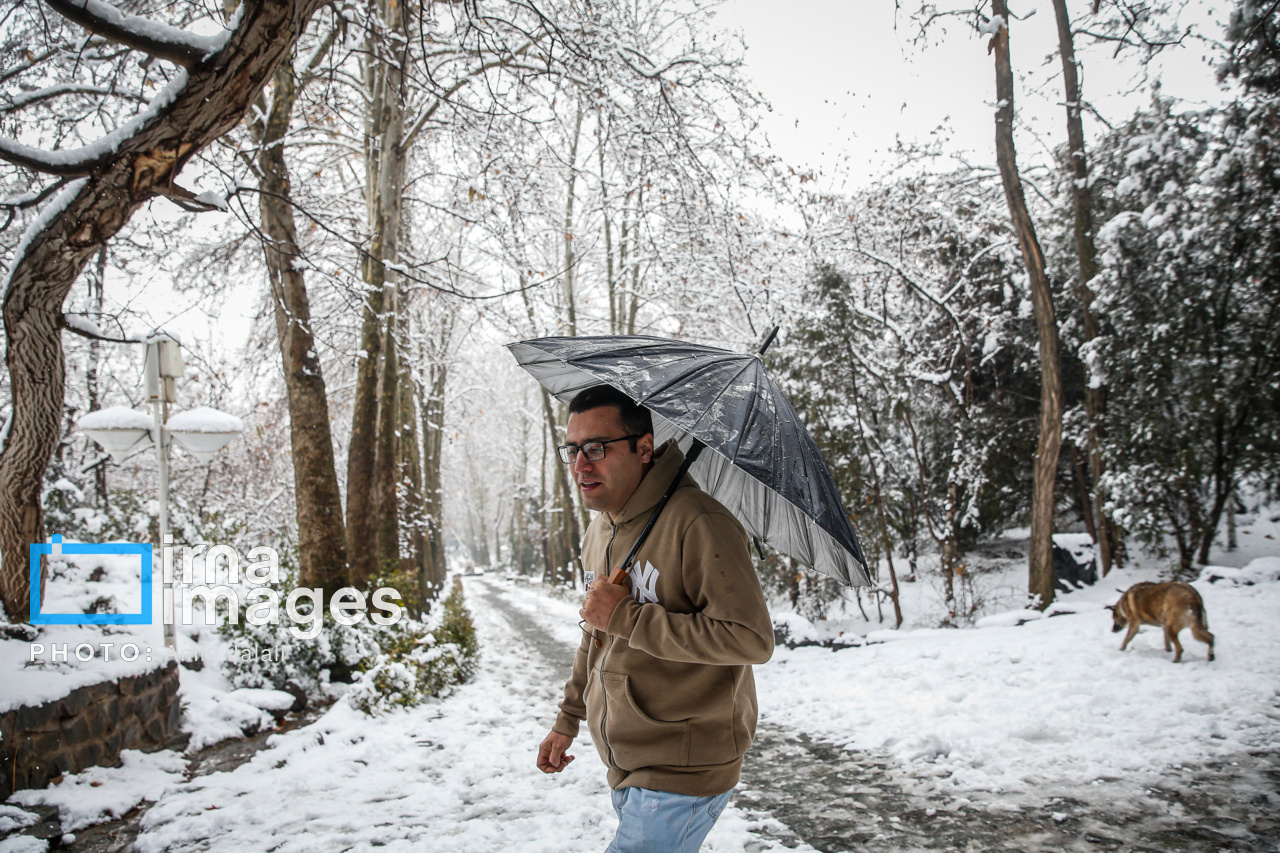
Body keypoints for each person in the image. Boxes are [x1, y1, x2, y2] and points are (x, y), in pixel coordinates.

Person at [536, 384, 774, 853]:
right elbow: (597, 630)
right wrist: (568, 717)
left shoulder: (699, 522)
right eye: (572, 450)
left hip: (684, 766)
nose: (581, 465)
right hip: (628, 760)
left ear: (645, 448)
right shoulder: (600, 528)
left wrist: (626, 615)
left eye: (597, 448)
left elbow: (750, 639)